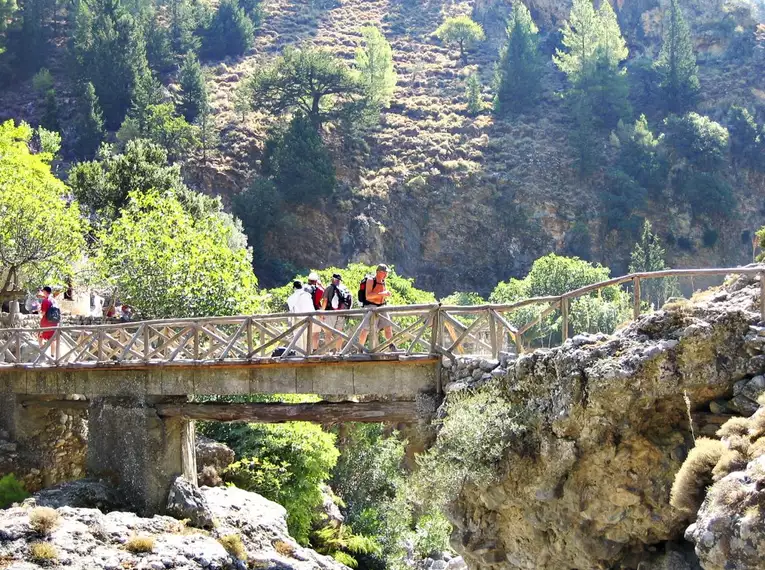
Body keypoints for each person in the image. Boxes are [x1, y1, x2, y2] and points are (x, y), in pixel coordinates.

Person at [359, 264, 394, 350]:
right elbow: (368, 296)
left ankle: (392, 347)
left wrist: (386, 294)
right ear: (378, 272)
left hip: (381, 306)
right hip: (370, 307)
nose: (386, 274)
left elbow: (381, 294)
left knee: (388, 326)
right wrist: (383, 294)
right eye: (384, 272)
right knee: (366, 329)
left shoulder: (383, 282)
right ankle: (360, 348)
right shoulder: (371, 280)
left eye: (386, 273)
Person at [321, 273, 352, 352]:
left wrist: (321, 313)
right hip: (341, 313)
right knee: (339, 333)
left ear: (332, 279)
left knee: (328, 333)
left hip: (330, 313)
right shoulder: (344, 289)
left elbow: (325, 301)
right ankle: (339, 351)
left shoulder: (329, 288)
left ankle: (330, 351)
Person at [287, 280, 315, 353]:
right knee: (307, 336)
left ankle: (299, 354)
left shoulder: (291, 297)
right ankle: (308, 353)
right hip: (308, 318)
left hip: (297, 319)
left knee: (298, 337)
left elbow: (291, 309)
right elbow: (311, 308)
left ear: (294, 287)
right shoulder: (307, 295)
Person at [38, 286, 60, 358]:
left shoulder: (45, 301)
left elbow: (43, 313)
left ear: (45, 292)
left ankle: (42, 353)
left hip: (45, 323)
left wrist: (39, 311)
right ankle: (52, 355)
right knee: (53, 339)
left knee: (40, 337)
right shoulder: (54, 301)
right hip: (54, 323)